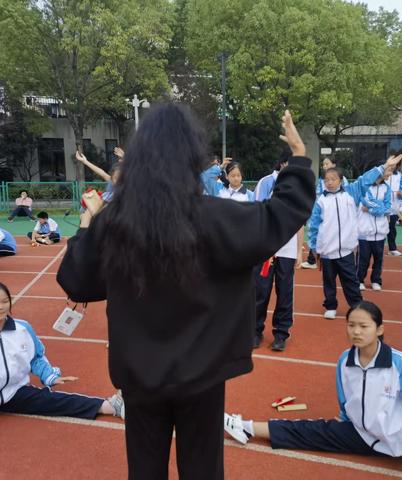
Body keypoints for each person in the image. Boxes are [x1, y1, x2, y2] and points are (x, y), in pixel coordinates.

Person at [56, 105, 315, 480]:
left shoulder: (115, 222)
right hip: (202, 370)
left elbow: (76, 278)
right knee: (203, 468)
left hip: (140, 373)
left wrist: (87, 225)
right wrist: (300, 161)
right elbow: (281, 215)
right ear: (192, 156)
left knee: (145, 468)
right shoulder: (215, 216)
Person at [224, 301, 402, 479]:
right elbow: (345, 400)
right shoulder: (345, 361)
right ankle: (243, 426)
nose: (356, 331)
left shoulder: (398, 364)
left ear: (379, 330)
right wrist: (345, 422)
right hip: (365, 435)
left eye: (364, 326)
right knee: (309, 430)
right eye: (351, 325)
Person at [0, 282, 124, 420]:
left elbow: (35, 358)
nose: (1, 306)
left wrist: (49, 375)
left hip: (14, 393)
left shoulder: (22, 329)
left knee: (53, 400)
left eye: (5, 301)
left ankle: (111, 406)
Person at [308, 154, 402, 319]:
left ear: (341, 180)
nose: (329, 182)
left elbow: (365, 180)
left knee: (350, 280)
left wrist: (383, 167)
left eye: (333, 179)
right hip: (327, 252)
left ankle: (356, 305)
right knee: (329, 281)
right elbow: (314, 226)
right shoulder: (321, 201)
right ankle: (330, 305)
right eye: (326, 179)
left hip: (346, 250)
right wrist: (314, 247)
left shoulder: (351, 194)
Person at [253, 151, 304, 352]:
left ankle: (281, 334)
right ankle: (255, 331)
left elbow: (300, 222)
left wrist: (300, 250)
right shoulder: (266, 183)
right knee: (260, 291)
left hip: (288, 249)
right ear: (282, 164)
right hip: (266, 248)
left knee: (285, 292)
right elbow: (257, 213)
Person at [301, 157, 349, 269]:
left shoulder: (343, 180)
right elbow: (318, 196)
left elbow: (347, 195)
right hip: (323, 212)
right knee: (317, 232)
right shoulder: (322, 180)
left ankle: (328, 259)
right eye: (323, 164)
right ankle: (313, 259)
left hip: (335, 214)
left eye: (327, 164)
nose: (324, 166)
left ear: (334, 164)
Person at [356, 168, 392, 291]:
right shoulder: (364, 187)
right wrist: (378, 206)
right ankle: (359, 280)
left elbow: (387, 208)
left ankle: (376, 280)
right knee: (363, 259)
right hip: (364, 231)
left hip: (380, 232)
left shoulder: (387, 188)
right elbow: (366, 202)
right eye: (388, 170)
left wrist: (372, 209)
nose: (389, 173)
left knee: (378, 258)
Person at [385, 161, 402, 256]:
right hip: (382, 207)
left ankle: (392, 248)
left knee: (391, 229)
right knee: (379, 228)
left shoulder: (400, 176)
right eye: (391, 163)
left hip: (394, 208)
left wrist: (401, 194)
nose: (392, 166)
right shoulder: (383, 174)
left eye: (394, 164)